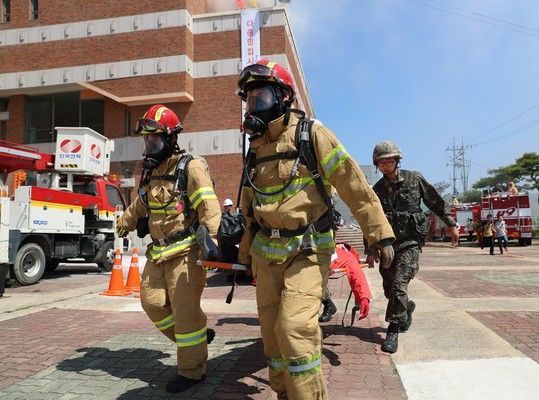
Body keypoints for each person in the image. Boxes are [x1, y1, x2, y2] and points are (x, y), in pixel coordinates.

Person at [236, 59, 395, 399]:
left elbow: (356, 187)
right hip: (266, 255)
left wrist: (379, 235)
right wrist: (245, 252)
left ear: (282, 98)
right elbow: (250, 208)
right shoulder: (256, 148)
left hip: (307, 250)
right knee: (272, 336)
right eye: (249, 100)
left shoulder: (312, 135)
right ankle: (283, 393)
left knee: (295, 329)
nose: (254, 107)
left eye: (261, 97)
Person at [116, 104, 221, 393]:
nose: (149, 146)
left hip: (186, 253)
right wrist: (125, 220)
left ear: (171, 139)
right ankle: (197, 340)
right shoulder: (151, 173)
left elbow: (208, 205)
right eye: (146, 141)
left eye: (155, 140)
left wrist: (212, 243)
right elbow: (141, 204)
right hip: (158, 252)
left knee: (185, 313)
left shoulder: (191, 166)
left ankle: (192, 371)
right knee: (150, 302)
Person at [368, 141, 459, 354]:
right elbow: (371, 220)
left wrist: (452, 225)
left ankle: (392, 329)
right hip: (388, 245)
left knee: (400, 285)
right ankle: (405, 310)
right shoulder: (377, 190)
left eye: (389, 161)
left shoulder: (414, 179)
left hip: (410, 243)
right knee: (390, 290)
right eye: (382, 162)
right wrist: (371, 250)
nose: (386, 165)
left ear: (397, 161)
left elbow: (435, 202)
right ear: (377, 165)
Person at [319, 241, 371, 324]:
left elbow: (357, 276)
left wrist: (364, 297)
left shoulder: (345, 257)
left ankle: (328, 306)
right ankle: (329, 305)